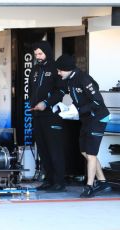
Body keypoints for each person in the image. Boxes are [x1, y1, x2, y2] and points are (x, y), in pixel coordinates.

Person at [55, 54, 112, 198]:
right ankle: (103, 182)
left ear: (67, 69)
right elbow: (78, 100)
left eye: (60, 70)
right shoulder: (69, 80)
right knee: (85, 152)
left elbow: (97, 101)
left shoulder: (84, 79)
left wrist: (77, 111)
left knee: (91, 154)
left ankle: (89, 186)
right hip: (86, 119)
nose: (58, 73)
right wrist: (66, 108)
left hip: (98, 118)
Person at [29, 41, 67, 192]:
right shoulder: (35, 69)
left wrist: (46, 102)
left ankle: (60, 181)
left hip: (52, 115)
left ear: (47, 52)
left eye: (40, 54)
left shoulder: (55, 68)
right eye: (36, 54)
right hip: (36, 114)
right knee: (43, 149)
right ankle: (49, 179)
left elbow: (62, 91)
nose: (38, 57)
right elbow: (32, 90)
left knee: (54, 149)